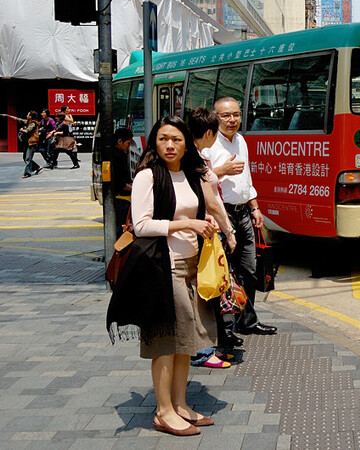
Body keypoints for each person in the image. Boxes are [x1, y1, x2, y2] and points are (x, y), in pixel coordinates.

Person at [108, 116, 235, 436]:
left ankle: (180, 404)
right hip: (163, 268)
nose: (169, 145)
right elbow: (142, 225)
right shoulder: (148, 176)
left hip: (193, 266)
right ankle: (163, 411)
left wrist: (209, 224)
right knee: (166, 341)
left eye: (176, 139)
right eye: (163, 138)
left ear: (186, 144)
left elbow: (201, 207)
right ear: (154, 142)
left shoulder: (190, 175)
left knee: (185, 341)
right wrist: (186, 225)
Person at [203, 96, 277, 336]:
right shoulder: (209, 144)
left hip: (243, 212)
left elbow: (247, 179)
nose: (232, 119)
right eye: (226, 115)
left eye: (236, 114)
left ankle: (248, 321)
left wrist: (255, 207)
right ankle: (224, 330)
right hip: (220, 213)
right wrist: (221, 170)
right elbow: (199, 180)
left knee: (249, 270)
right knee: (223, 273)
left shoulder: (241, 140)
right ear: (216, 117)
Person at [188, 107, 239, 365]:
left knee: (211, 289)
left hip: (205, 232)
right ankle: (204, 351)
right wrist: (228, 231)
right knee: (207, 291)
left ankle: (215, 346)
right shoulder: (194, 159)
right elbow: (213, 202)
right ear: (208, 133)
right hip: (203, 233)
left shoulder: (196, 155)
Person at [111, 128, 135, 237]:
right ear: (120, 141)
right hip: (122, 200)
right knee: (122, 229)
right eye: (128, 143)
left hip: (121, 199)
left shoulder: (117, 154)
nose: (129, 146)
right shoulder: (117, 156)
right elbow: (120, 183)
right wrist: (134, 188)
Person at [18, 111, 42, 179]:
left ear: (31, 116)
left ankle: (27, 173)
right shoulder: (28, 122)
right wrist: (8, 116)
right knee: (25, 158)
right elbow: (19, 119)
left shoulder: (33, 124)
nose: (27, 115)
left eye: (28, 114)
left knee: (28, 159)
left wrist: (22, 130)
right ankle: (37, 167)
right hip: (27, 142)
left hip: (32, 143)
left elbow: (27, 131)